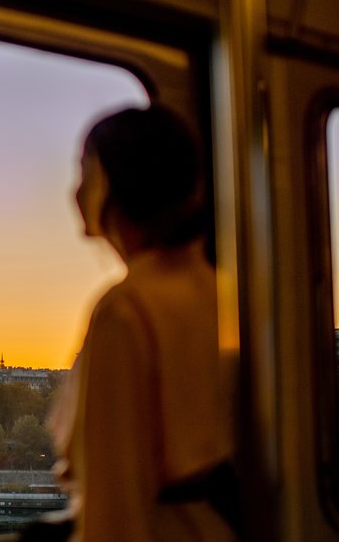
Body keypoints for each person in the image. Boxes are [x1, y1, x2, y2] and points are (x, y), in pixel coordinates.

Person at [41, 104, 238, 541]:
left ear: (113, 183)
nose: (75, 192)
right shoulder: (217, 293)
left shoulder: (124, 310)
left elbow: (114, 509)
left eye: (84, 172)